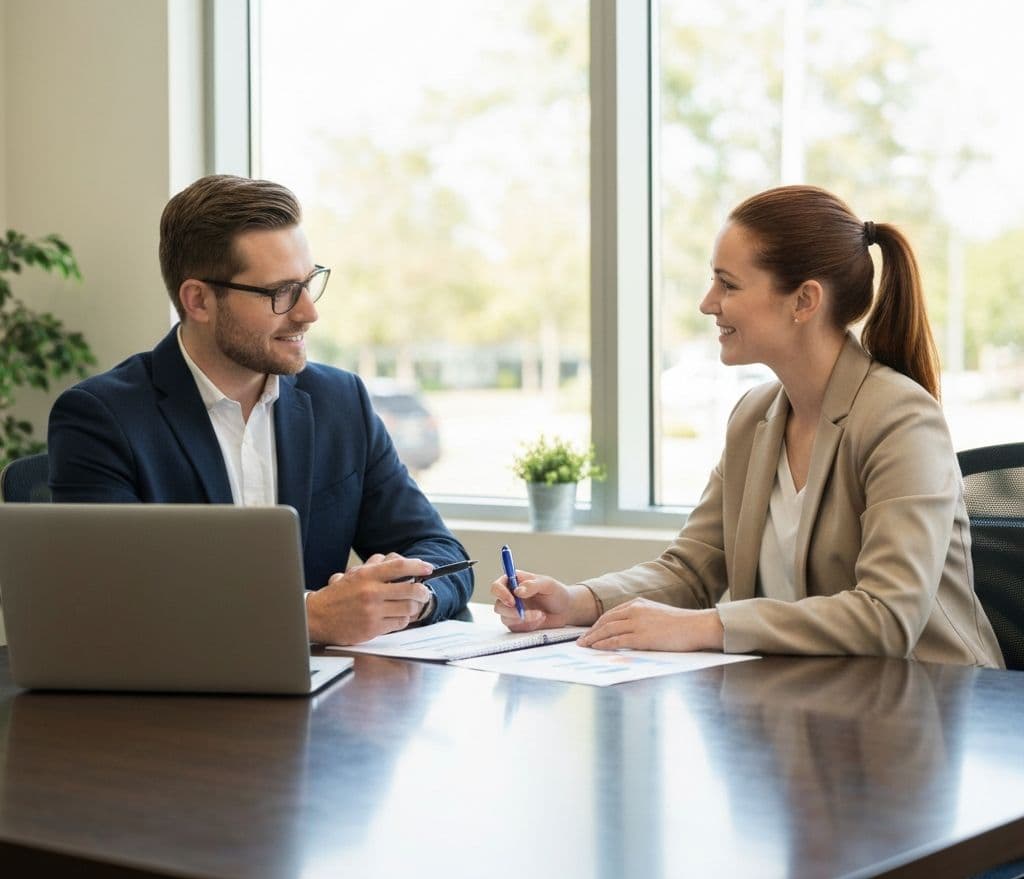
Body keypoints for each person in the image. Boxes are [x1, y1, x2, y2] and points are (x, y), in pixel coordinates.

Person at [492, 184, 1004, 668]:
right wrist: (576, 601)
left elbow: (887, 617)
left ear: (804, 301)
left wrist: (705, 626)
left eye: (728, 284)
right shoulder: (752, 418)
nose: (707, 302)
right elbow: (692, 568)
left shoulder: (900, 419)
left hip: (930, 703)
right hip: (812, 700)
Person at [48, 174, 472, 645]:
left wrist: (409, 598)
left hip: (326, 685)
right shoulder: (101, 418)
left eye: (308, 283)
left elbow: (443, 554)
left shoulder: (340, 402)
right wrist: (306, 618)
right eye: (281, 292)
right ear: (198, 300)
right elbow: (112, 600)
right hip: (173, 687)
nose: (308, 312)